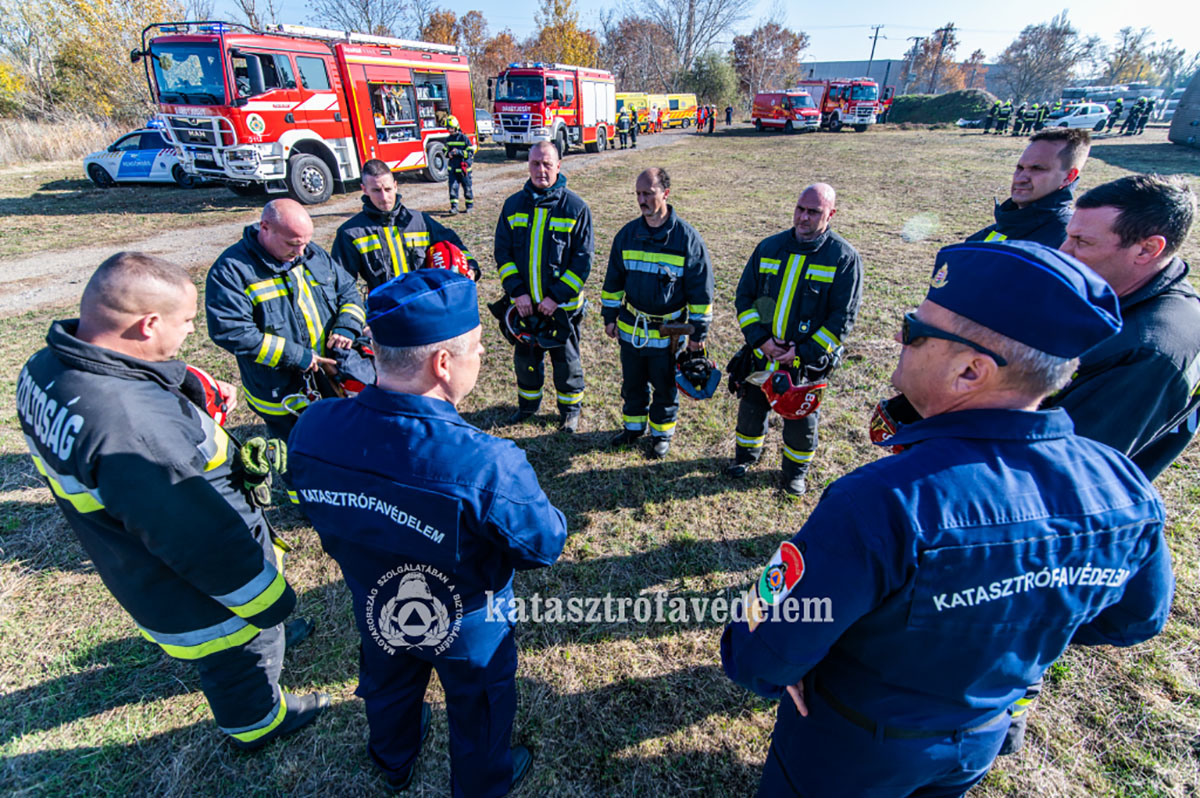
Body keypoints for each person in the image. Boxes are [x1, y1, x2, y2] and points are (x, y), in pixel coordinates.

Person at [722, 239, 1174, 798]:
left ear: (969, 371)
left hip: (850, 750)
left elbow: (758, 652)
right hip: (977, 741)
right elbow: (1133, 621)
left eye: (915, 330)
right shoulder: (1124, 485)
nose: (897, 337)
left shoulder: (881, 501)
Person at [19, 252, 328, 749]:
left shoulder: (46, 366)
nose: (189, 334)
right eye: (185, 323)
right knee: (238, 654)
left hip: (130, 559)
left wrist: (181, 385)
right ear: (147, 324)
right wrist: (271, 603)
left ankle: (270, 644)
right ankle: (257, 724)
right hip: (196, 588)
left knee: (253, 638)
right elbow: (200, 540)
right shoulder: (131, 426)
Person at [289, 269, 567, 795]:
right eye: (477, 348)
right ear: (443, 363)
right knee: (480, 707)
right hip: (468, 619)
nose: (482, 358)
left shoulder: (314, 426)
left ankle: (393, 759)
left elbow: (312, 504)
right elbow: (543, 544)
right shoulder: (487, 463)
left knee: (389, 686)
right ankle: (482, 784)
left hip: (375, 597)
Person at [1052, 174, 1200, 477]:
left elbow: (1065, 468)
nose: (1063, 251)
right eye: (1069, 236)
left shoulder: (1148, 352)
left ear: (1147, 250)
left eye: (1082, 242)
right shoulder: (1122, 295)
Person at [728, 183, 863, 495]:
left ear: (831, 214)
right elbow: (744, 297)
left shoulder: (843, 259)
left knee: (801, 421)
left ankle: (794, 474)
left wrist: (802, 352)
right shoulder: (768, 247)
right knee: (751, 410)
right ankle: (745, 456)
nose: (803, 217)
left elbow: (841, 320)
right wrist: (759, 340)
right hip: (762, 353)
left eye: (813, 212)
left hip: (805, 363)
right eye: (800, 209)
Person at [207, 199, 365, 454]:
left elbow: (347, 289)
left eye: (305, 241)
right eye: (293, 243)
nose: (302, 251)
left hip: (328, 377)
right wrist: (297, 357)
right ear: (265, 228)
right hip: (280, 389)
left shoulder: (313, 255)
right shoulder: (232, 271)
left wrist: (347, 327)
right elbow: (231, 331)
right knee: (296, 454)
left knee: (340, 441)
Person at [602, 168, 714, 458]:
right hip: (632, 329)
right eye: (638, 194)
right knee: (632, 383)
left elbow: (701, 294)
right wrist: (610, 316)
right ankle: (634, 428)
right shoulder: (626, 236)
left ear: (665, 193)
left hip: (670, 334)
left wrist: (697, 335)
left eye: (647, 193)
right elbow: (613, 281)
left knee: (665, 387)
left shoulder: (687, 240)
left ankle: (661, 435)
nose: (641, 200)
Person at [494, 140, 594, 431]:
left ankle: (570, 411)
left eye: (547, 164)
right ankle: (527, 406)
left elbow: (582, 262)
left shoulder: (575, 208)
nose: (541, 169)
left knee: (567, 363)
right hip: (524, 308)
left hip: (561, 310)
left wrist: (555, 297)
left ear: (559, 166)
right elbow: (503, 253)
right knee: (526, 360)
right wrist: (517, 291)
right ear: (528, 165)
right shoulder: (512, 206)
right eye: (535, 163)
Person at [332, 160, 481, 294]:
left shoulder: (420, 221)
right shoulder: (350, 233)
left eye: (388, 189)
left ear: (396, 186)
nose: (384, 197)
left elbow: (453, 243)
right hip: (386, 312)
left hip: (424, 304)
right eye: (376, 190)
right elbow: (342, 285)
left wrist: (471, 267)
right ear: (364, 189)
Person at [966, 127, 1091, 248]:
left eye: (1037, 169)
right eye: (1020, 168)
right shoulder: (1005, 226)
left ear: (1069, 176)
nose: (1020, 178)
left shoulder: (1069, 241)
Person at [444, 114, 476, 214]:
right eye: (449, 128)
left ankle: (469, 206)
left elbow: (470, 153)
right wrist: (448, 154)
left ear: (456, 127)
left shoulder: (464, 139)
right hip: (453, 170)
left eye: (452, 128)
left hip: (464, 170)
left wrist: (459, 152)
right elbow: (444, 152)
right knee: (453, 189)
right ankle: (454, 208)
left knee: (467, 188)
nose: (450, 130)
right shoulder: (448, 140)